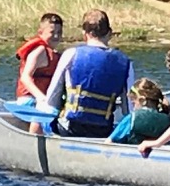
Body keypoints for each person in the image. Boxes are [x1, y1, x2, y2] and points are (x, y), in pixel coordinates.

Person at [43, 8, 134, 137]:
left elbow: (52, 98)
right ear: (109, 32)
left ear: (84, 34)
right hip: (103, 130)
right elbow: (128, 109)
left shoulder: (71, 54)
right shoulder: (126, 63)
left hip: (70, 128)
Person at [15, 12, 64, 104]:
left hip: (40, 101)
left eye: (59, 32)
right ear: (40, 32)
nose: (56, 36)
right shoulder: (40, 51)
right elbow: (25, 77)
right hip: (29, 100)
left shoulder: (52, 52)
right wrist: (41, 98)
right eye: (52, 32)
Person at [109, 78, 170, 145]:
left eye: (133, 103)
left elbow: (110, 141)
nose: (133, 108)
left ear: (142, 100)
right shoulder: (169, 120)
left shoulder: (132, 118)